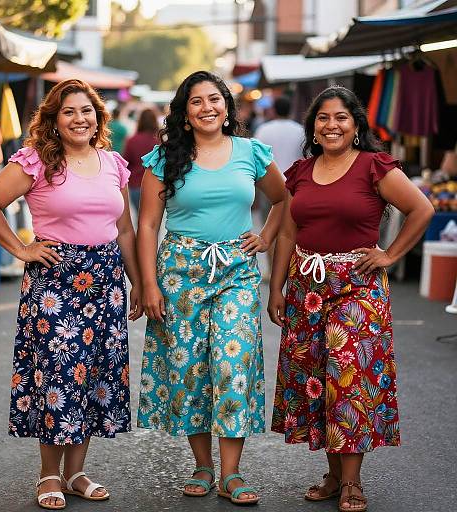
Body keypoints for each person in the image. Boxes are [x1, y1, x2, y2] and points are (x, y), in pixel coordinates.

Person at [0, 79, 142, 510]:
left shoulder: (114, 164)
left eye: (86, 111)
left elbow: (124, 229)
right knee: (59, 378)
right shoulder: (35, 162)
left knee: (94, 376)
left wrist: (138, 280)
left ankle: (76, 473)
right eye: (69, 111)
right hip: (56, 284)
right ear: (53, 119)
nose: (79, 119)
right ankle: (49, 474)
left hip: (105, 283)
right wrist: (20, 248)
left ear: (98, 117)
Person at [268, 86, 434, 512]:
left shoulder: (374, 166)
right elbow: (287, 231)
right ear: (313, 127)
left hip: (357, 287)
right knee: (319, 382)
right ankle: (332, 474)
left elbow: (422, 209)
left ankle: (353, 482)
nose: (332, 125)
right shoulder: (301, 172)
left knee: (348, 381)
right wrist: (276, 289)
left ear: (356, 124)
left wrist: (390, 253)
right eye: (323, 118)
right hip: (306, 287)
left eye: (341, 117)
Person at [136, 70, 285, 505]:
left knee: (232, 364)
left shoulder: (251, 152)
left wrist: (267, 237)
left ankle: (232, 474)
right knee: (190, 371)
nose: (207, 107)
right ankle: (203, 466)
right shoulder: (164, 159)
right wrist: (148, 284)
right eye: (196, 101)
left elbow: (284, 199)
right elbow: (146, 224)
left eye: (214, 99)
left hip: (237, 271)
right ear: (184, 114)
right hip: (179, 272)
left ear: (227, 107)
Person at [254, 95, 304, 278]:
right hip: (296, 186)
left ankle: (271, 268)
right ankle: (289, 268)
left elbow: (257, 160)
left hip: (269, 184)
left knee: (270, 228)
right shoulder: (300, 130)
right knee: (292, 229)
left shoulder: (263, 129)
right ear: (290, 109)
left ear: (274, 109)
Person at [123, 108, 159, 211]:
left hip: (135, 185)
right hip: (156, 186)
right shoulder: (158, 142)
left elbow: (126, 163)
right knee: (153, 221)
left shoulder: (132, 141)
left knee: (140, 220)